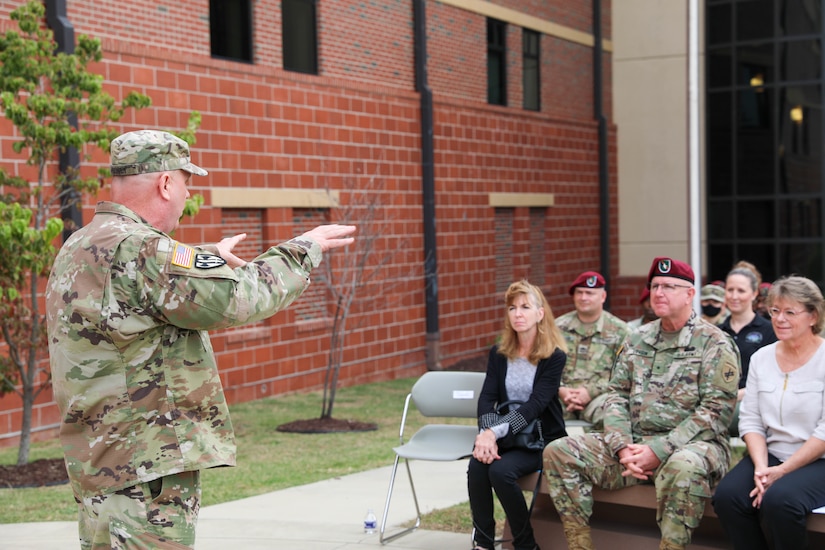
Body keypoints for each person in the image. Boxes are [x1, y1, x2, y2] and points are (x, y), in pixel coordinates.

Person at [45, 130, 356, 550]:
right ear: (165, 183)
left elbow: (146, 285)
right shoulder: (143, 251)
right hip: (145, 472)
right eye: (186, 181)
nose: (188, 193)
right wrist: (303, 248)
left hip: (102, 464)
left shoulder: (81, 244)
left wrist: (208, 255)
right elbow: (239, 296)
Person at [543, 257, 740, 550]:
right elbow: (616, 396)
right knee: (559, 451)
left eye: (669, 286)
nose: (659, 293)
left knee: (682, 467)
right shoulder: (637, 338)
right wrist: (622, 446)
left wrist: (658, 450)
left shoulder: (714, 343)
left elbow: (715, 412)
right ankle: (578, 544)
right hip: (633, 447)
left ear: (689, 294)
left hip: (695, 447)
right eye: (655, 286)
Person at [712, 276, 825, 550]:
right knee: (727, 497)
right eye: (775, 311)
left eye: (790, 312)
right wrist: (762, 468)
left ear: (813, 316)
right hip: (772, 455)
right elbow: (750, 419)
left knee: (780, 501)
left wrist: (782, 471)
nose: (780, 319)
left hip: (818, 459)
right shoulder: (762, 358)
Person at [468, 280, 568, 550]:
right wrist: (486, 435)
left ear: (540, 314)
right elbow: (488, 397)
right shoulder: (499, 354)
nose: (518, 314)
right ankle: (483, 544)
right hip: (506, 437)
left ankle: (526, 545)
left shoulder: (554, 357)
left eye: (525, 307)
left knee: (500, 472)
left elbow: (534, 406)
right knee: (477, 467)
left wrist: (491, 433)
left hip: (540, 439)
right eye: (512, 308)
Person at [555, 271, 629, 428]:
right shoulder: (557, 328)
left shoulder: (621, 331)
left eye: (589, 293)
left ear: (603, 297)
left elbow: (625, 374)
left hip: (599, 397)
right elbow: (542, 366)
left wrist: (590, 392)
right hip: (560, 397)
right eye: (579, 293)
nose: (583, 297)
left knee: (615, 415)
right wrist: (561, 389)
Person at [719, 266, 777, 401]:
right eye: (730, 290)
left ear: (754, 293)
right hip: (719, 406)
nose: (734, 296)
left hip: (755, 403)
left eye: (741, 291)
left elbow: (772, 377)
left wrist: (736, 397)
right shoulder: (715, 332)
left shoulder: (770, 331)